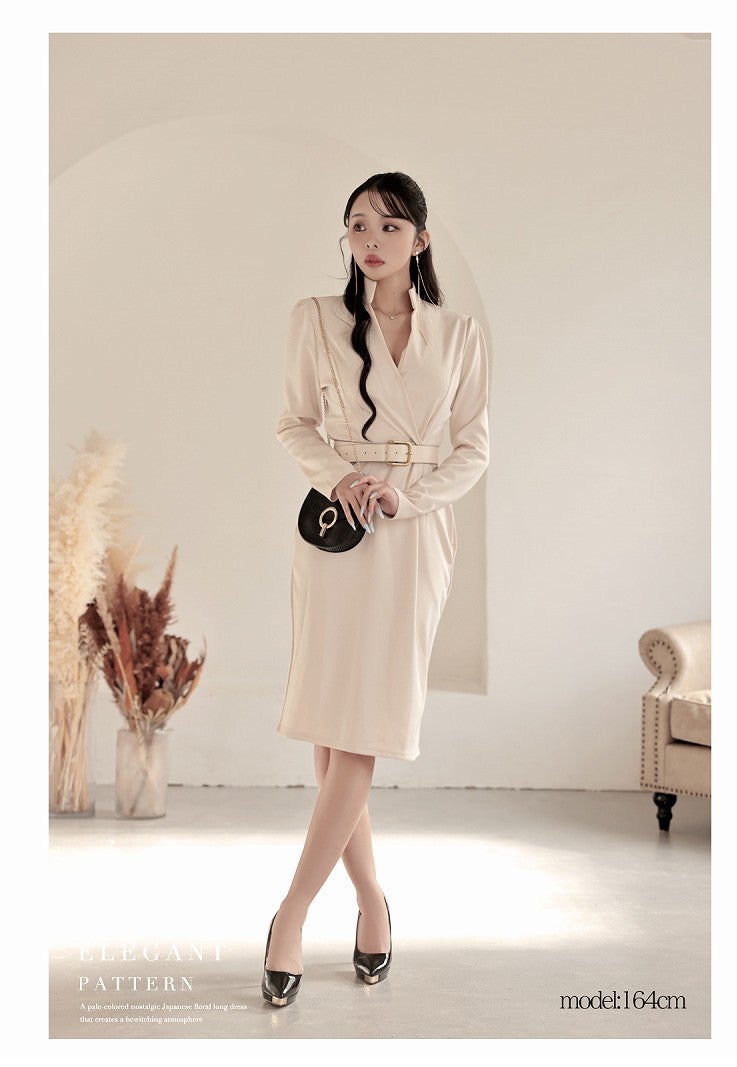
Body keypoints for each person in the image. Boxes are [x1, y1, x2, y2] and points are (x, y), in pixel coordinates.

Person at [263, 172, 490, 1007]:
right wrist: (343, 476)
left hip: (414, 534)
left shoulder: (459, 335)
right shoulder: (315, 319)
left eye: (390, 226)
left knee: (362, 727)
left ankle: (291, 913)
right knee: (334, 729)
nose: (371, 240)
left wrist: (408, 497)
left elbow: (473, 447)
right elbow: (294, 423)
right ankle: (370, 902)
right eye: (358, 225)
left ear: (420, 240)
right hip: (336, 530)